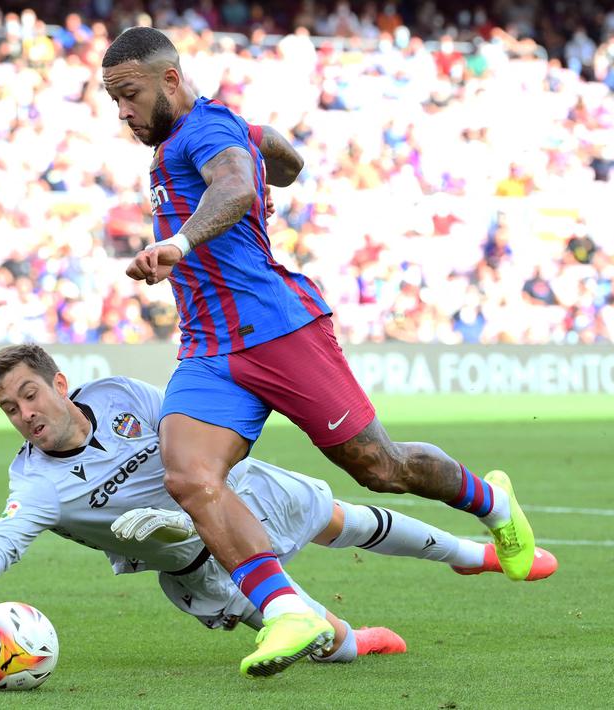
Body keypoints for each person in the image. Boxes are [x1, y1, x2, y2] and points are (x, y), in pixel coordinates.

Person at [101, 27, 538, 676]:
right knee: (189, 476)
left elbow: (236, 187)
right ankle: (287, 612)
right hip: (209, 348)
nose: (122, 111)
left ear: (170, 80)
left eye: (129, 95)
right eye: (114, 99)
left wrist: (180, 243)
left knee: (380, 468)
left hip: (278, 333)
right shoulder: (212, 131)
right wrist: (273, 164)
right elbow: (280, 155)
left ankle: (492, 502)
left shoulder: (205, 130)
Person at [0, 346, 556, 675]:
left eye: (30, 394)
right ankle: (358, 639)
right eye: (9, 408)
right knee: (325, 644)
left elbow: (194, 432)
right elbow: (0, 544)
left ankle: (474, 555)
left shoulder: (122, 396)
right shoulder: (36, 484)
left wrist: (209, 487)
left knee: (344, 520)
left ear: (59, 383)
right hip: (199, 568)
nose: (24, 413)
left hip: (236, 491)